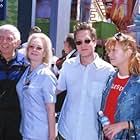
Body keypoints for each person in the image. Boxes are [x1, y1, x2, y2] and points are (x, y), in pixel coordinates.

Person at [56, 22, 115, 140]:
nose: (83, 45)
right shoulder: (68, 65)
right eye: (79, 42)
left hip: (91, 135)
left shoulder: (108, 71)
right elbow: (56, 90)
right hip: (66, 133)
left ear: (94, 41)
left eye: (87, 41)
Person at [16, 33, 57, 140]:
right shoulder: (26, 72)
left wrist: (52, 136)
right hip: (26, 131)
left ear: (44, 53)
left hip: (40, 134)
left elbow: (51, 110)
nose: (34, 50)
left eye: (39, 48)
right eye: (31, 46)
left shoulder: (46, 75)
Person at [100, 32, 140, 139]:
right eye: (109, 51)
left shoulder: (137, 83)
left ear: (128, 52)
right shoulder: (111, 77)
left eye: (114, 50)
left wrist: (123, 125)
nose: (109, 54)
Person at [0, 24, 28, 140]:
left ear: (17, 43)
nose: (3, 41)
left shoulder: (26, 65)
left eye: (9, 38)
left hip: (16, 120)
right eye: (0, 37)